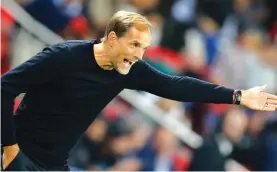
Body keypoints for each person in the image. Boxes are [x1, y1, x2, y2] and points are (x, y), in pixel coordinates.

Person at [1, 10, 277, 171]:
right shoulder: (64, 56)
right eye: (134, 45)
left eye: (144, 48)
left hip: (54, 164)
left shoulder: (128, 69)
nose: (138, 55)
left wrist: (238, 96)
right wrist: (9, 147)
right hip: (18, 156)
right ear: (112, 39)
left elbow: (177, 87)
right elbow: (4, 88)